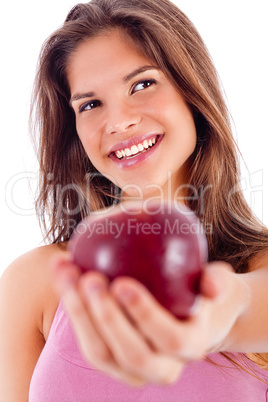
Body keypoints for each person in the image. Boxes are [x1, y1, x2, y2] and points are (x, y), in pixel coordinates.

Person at [1, 0, 268, 400]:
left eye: (142, 84)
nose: (119, 121)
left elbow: (249, 302)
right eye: (90, 104)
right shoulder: (35, 281)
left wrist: (218, 319)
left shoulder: (259, 265)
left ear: (191, 92)